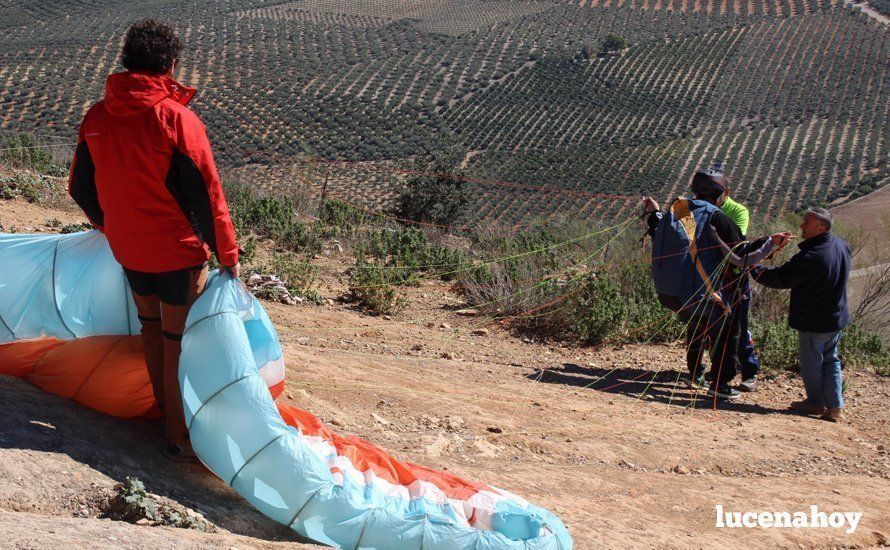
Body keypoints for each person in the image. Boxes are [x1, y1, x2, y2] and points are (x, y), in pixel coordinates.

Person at [69, 19, 240, 459]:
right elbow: (208, 194)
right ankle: (177, 435)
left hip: (129, 248)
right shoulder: (175, 119)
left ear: (127, 61)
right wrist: (228, 254)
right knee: (177, 338)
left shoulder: (96, 116)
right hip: (176, 251)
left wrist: (113, 226)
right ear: (170, 65)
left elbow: (80, 187)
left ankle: (162, 410)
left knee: (149, 326)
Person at [643, 165, 784, 400]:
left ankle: (695, 374)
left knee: (699, 327)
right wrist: (770, 242)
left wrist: (654, 212)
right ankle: (720, 383)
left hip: (671, 294)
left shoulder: (679, 210)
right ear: (721, 193)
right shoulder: (718, 217)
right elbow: (742, 255)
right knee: (729, 326)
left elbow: (657, 230)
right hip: (697, 295)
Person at [752, 207, 850, 422]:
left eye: (806, 223)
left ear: (821, 228)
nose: (801, 226)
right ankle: (835, 406)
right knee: (831, 360)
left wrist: (752, 265)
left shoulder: (812, 255)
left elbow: (780, 278)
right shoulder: (840, 245)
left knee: (811, 363)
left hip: (814, 320)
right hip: (835, 317)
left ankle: (816, 402)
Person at [687, 164, 761, 392]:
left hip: (730, 281)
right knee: (706, 328)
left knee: (737, 328)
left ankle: (748, 372)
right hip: (705, 279)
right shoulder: (701, 212)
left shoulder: (735, 212)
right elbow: (741, 252)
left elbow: (733, 248)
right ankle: (707, 377)